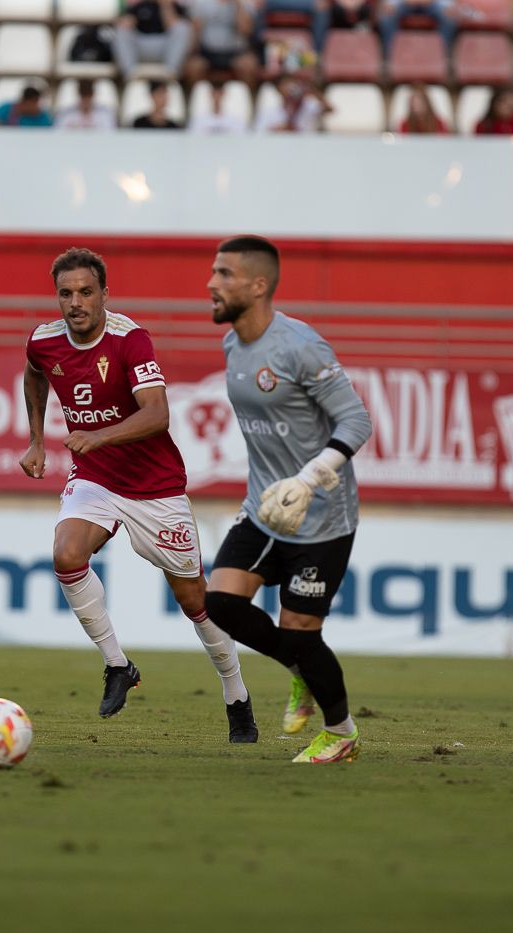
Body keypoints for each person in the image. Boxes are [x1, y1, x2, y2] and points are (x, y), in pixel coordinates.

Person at [19, 248, 258, 743]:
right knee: (66, 555)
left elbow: (157, 415)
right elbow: (35, 373)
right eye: (66, 293)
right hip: (95, 480)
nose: (75, 303)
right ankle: (117, 665)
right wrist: (38, 439)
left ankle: (236, 695)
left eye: (86, 292)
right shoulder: (44, 342)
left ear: (105, 294)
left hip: (155, 488)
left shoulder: (130, 340)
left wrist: (98, 436)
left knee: (195, 600)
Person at [202, 236, 373, 764]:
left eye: (225, 274)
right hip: (264, 509)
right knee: (219, 604)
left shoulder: (301, 346)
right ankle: (299, 668)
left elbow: (356, 420)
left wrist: (310, 477)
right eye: (213, 272)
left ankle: (341, 733)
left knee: (300, 629)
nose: (211, 283)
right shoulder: (233, 345)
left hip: (321, 517)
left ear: (258, 285)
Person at [183, 0, 260, 88]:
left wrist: (238, 6)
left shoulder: (244, 4)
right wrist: (191, 55)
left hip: (236, 53)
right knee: (192, 67)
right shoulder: (201, 3)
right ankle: (196, 100)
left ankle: (248, 100)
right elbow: (195, 31)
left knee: (249, 66)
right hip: (207, 52)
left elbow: (246, 31)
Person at [115, 1, 193, 78]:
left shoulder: (175, 7)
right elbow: (125, 23)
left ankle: (171, 73)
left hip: (166, 48)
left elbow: (174, 26)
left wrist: (166, 6)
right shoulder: (139, 6)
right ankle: (130, 74)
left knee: (182, 28)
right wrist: (129, 22)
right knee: (122, 30)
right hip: (141, 47)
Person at [254, 71, 329, 132]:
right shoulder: (268, 111)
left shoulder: (308, 105)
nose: (289, 87)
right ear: (278, 89)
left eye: (292, 83)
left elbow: (329, 109)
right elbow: (259, 132)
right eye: (285, 84)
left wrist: (313, 91)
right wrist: (281, 129)